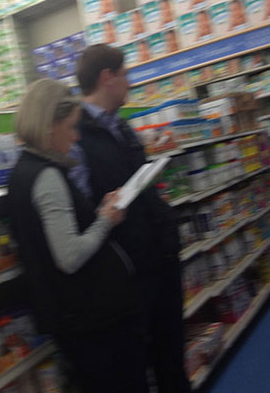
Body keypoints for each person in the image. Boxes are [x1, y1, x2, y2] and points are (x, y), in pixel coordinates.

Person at [8, 78, 146, 393]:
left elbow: (53, 234)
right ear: (48, 125)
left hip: (74, 318)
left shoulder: (23, 171)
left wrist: (96, 213)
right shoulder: (47, 176)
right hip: (91, 319)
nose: (76, 136)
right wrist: (106, 221)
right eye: (70, 127)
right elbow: (69, 256)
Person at [69, 44, 192, 393]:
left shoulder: (122, 128)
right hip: (128, 275)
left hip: (159, 259)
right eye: (125, 74)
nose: (131, 82)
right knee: (135, 369)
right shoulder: (77, 136)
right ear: (106, 77)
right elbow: (83, 211)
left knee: (171, 357)